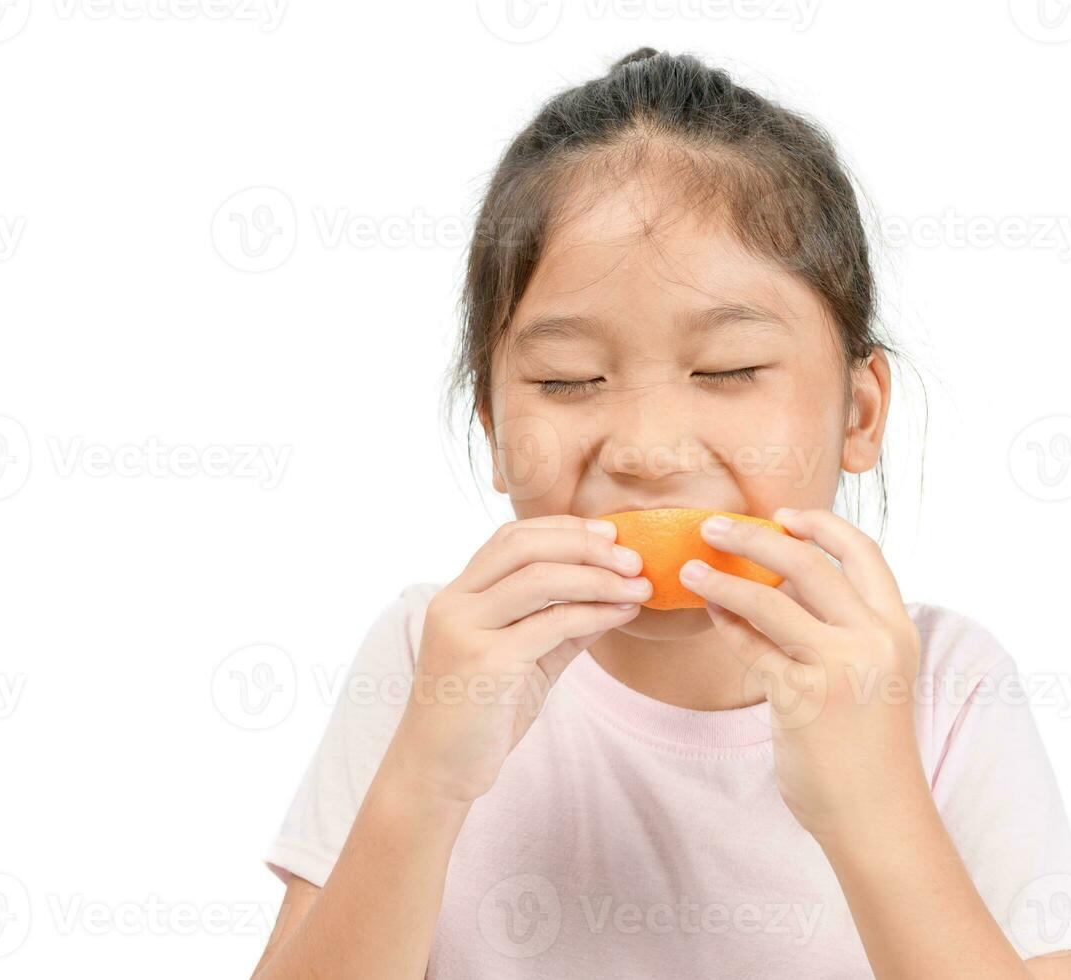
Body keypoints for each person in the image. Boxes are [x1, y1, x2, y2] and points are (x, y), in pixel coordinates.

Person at [249, 47, 1071, 978]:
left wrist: (872, 810)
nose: (646, 449)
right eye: (566, 381)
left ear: (859, 411)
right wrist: (425, 783)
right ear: (491, 425)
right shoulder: (428, 657)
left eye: (726, 371)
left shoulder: (944, 689)